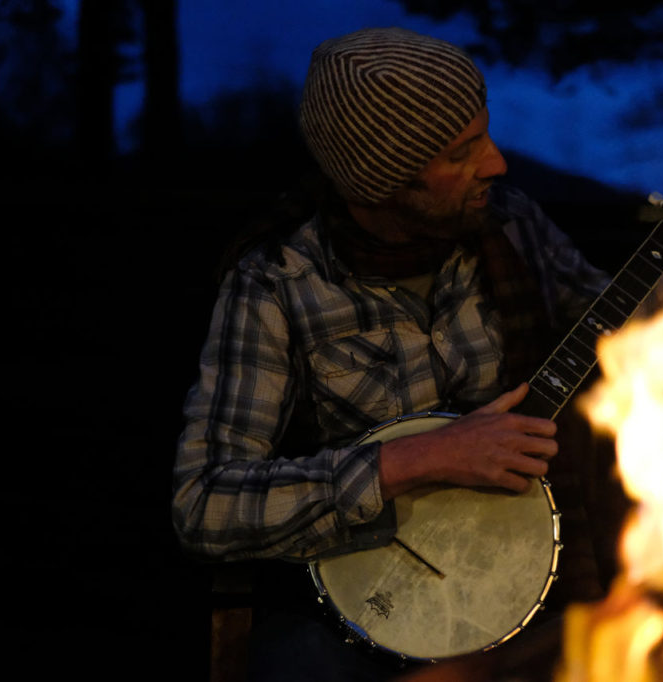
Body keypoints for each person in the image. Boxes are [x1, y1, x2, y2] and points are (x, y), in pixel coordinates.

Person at [173, 27, 613, 682]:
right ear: (384, 182)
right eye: (462, 152)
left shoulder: (514, 228)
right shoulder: (277, 283)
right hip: (356, 615)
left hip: (528, 583)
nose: (497, 163)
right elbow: (204, 505)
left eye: (486, 135)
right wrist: (420, 458)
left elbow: (630, 327)